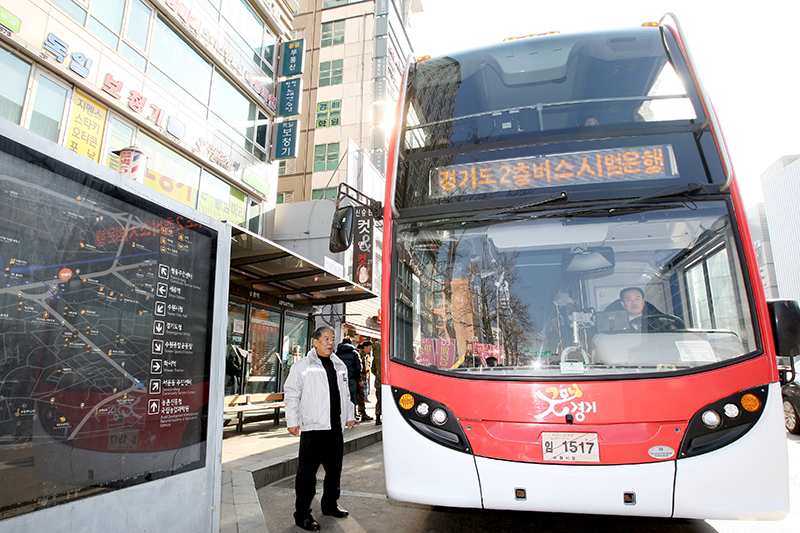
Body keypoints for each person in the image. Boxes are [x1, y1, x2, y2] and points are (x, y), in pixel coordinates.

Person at [284, 326, 356, 531]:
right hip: (314, 428)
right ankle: (302, 515)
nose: (330, 342)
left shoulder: (339, 364)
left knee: (334, 472)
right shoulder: (302, 366)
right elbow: (291, 394)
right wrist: (292, 421)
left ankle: (330, 505)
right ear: (315, 342)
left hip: (335, 428)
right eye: (326, 338)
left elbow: (346, 394)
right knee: (307, 474)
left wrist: (349, 415)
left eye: (333, 339)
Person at [336, 338, 361, 407]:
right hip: (351, 378)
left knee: (341, 396)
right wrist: (358, 378)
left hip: (340, 378)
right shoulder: (354, 353)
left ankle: (342, 414)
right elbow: (358, 367)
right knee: (352, 397)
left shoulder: (338, 353)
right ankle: (352, 414)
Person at [355, 342, 373, 421]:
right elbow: (359, 369)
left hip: (362, 378)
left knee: (360, 397)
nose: (370, 349)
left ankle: (360, 412)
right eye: (369, 347)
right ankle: (361, 413)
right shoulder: (361, 355)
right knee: (360, 396)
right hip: (360, 379)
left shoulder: (365, 355)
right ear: (365, 347)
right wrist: (360, 379)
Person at [371, 340, 382, 425]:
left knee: (379, 400)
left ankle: (377, 417)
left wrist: (378, 376)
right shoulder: (386, 356)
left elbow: (372, 369)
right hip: (387, 383)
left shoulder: (376, 359)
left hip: (378, 383)